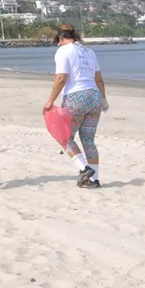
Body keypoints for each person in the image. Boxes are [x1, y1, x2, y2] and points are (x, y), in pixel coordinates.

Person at [43, 24, 108, 188]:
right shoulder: (89, 52)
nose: (57, 44)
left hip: (76, 97)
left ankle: (84, 168)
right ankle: (94, 180)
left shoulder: (64, 51)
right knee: (88, 140)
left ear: (61, 38)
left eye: (58, 41)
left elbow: (61, 78)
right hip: (94, 96)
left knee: (65, 137)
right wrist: (104, 99)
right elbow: (99, 79)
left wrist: (50, 101)